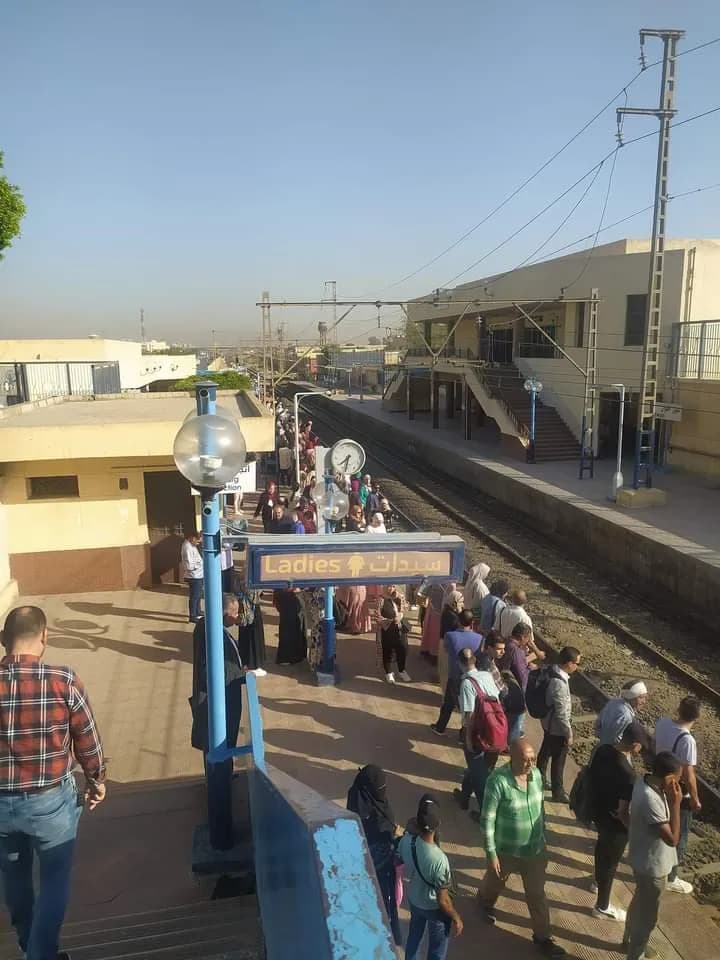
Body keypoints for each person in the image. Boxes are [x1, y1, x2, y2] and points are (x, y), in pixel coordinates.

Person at [0, 606, 106, 960]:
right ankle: (40, 953)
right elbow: (87, 740)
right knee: (54, 881)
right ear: (44, 637)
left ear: (3, 640)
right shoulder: (63, 679)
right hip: (50, 803)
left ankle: (28, 943)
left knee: (14, 879)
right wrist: (96, 780)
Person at [479, 738, 567, 958]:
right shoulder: (498, 781)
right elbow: (487, 820)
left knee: (537, 895)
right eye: (526, 760)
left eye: (533, 759)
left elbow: (541, 809)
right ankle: (484, 902)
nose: (530, 764)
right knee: (495, 881)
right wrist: (491, 854)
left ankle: (543, 938)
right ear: (512, 758)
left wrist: (543, 836)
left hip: (534, 851)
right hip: (505, 851)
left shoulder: (536, 776)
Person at [625, 752, 684, 960]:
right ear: (668, 778)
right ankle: (636, 953)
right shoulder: (652, 800)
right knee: (648, 917)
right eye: (677, 779)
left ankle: (628, 940)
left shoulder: (644, 780)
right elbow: (673, 839)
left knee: (639, 900)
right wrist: (675, 803)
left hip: (641, 856)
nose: (679, 784)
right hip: (653, 866)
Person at [588, 721, 646, 922]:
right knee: (611, 863)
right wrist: (633, 829)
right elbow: (623, 812)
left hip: (598, 812)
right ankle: (602, 906)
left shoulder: (603, 750)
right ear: (635, 744)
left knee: (600, 848)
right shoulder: (628, 775)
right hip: (615, 823)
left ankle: (596, 882)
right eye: (641, 746)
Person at [397, 804, 463, 960]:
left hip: (414, 900)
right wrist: (456, 917)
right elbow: (443, 900)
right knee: (437, 948)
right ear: (437, 826)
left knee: (414, 938)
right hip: (434, 908)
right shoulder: (440, 859)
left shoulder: (406, 841)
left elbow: (398, 859)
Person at [346, 766, 402, 947]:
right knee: (382, 906)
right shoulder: (374, 815)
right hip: (378, 868)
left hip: (366, 863)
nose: (382, 790)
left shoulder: (359, 795)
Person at [654, 696, 701, 894]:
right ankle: (672, 877)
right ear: (697, 717)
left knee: (662, 822)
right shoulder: (687, 740)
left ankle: (659, 860)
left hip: (659, 781)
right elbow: (689, 775)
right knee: (679, 832)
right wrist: (695, 799)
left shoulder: (663, 722)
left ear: (679, 709)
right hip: (676, 788)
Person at [190, 593, 245, 758]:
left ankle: (225, 771)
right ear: (225, 614)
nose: (236, 617)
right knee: (218, 742)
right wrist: (241, 674)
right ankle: (220, 777)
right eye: (234, 613)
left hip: (221, 697)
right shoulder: (213, 634)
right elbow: (211, 673)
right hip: (219, 700)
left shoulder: (207, 626)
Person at [453, 649, 500, 814]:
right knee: (477, 768)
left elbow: (469, 716)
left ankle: (484, 813)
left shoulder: (467, 684)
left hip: (478, 734)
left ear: (460, 664)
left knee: (479, 775)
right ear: (474, 660)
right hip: (494, 729)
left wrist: (467, 739)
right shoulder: (487, 675)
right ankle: (464, 797)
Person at [536, 646, 581, 804]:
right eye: (576, 663)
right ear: (569, 663)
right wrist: (568, 734)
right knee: (558, 759)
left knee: (545, 750)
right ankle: (558, 791)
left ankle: (539, 778)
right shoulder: (560, 684)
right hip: (557, 727)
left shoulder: (552, 671)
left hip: (547, 723)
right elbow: (562, 714)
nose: (577, 667)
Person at [430, 610, 482, 737]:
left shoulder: (450, 635)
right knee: (468, 707)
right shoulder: (480, 638)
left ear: (458, 621)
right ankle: (463, 735)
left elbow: (447, 649)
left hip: (454, 675)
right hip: (472, 677)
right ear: (473, 622)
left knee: (448, 704)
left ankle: (440, 727)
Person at [595, 680, 650, 747]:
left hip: (601, 743)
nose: (644, 701)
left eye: (645, 697)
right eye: (641, 697)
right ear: (631, 697)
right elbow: (612, 739)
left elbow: (598, 722)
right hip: (609, 750)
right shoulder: (626, 716)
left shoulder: (614, 701)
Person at [378, 584, 410, 683]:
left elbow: (405, 608)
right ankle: (388, 672)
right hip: (388, 630)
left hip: (400, 629)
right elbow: (377, 616)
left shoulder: (400, 597)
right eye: (388, 586)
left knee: (402, 649)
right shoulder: (381, 600)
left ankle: (402, 671)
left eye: (392, 586)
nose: (391, 588)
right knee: (388, 651)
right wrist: (391, 621)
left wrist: (401, 615)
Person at [235, 585, 267, 677]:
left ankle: (247, 662)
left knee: (247, 633)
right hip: (249, 607)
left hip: (246, 605)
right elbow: (252, 594)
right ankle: (252, 665)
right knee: (253, 635)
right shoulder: (250, 574)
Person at [498, 621, 532, 698]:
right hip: (512, 689)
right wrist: (530, 668)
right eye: (527, 638)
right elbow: (522, 677)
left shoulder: (505, 642)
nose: (527, 642)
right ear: (522, 637)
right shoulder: (516, 651)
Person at [274, 588, 307, 665]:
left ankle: (298, 654)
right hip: (287, 594)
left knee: (299, 623)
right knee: (288, 626)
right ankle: (286, 657)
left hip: (296, 594)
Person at [181, 531, 204, 622]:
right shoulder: (187, 548)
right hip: (194, 576)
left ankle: (197, 611)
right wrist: (199, 565)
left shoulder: (192, 545)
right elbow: (189, 565)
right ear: (192, 538)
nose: (199, 542)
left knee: (198, 594)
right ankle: (193, 615)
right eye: (197, 540)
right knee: (194, 596)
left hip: (198, 574)